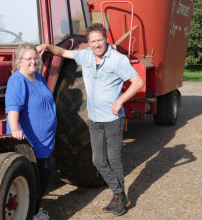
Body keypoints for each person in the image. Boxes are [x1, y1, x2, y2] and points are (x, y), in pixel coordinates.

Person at [37, 23, 144, 216]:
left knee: (114, 159)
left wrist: (120, 101)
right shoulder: (85, 55)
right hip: (94, 120)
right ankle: (120, 194)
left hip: (112, 119)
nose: (96, 44)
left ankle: (118, 196)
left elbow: (138, 82)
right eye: (92, 41)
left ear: (106, 40)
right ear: (89, 42)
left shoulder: (118, 59)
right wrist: (47, 46)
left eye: (99, 40)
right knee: (98, 160)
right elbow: (62, 52)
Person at [5, 43, 57, 220]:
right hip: (30, 143)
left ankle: (34, 211)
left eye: (36, 58)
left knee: (42, 179)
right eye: (29, 59)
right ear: (19, 62)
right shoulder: (18, 80)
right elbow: (13, 108)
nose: (34, 62)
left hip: (45, 142)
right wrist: (15, 129)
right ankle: (30, 214)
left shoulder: (39, 78)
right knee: (32, 181)